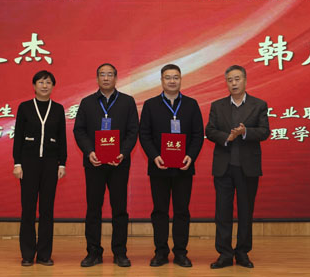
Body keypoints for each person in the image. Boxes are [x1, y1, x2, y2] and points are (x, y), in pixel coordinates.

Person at [73, 63, 139, 267]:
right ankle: (93, 252)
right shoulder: (87, 102)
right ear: (97, 78)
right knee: (93, 209)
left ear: (116, 78)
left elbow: (133, 131)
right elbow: (79, 130)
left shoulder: (127, 102)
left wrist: (122, 153)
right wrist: (89, 152)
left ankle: (120, 252)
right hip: (94, 163)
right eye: (102, 74)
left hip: (119, 163)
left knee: (120, 209)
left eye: (110, 74)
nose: (106, 78)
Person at [139, 64, 204, 268]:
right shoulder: (150, 105)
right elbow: (144, 134)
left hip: (184, 167)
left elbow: (198, 135)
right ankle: (160, 252)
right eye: (168, 77)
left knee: (182, 211)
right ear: (161, 80)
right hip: (159, 167)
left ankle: (180, 253)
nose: (172, 81)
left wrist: (191, 156)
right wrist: (154, 156)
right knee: (160, 211)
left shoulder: (191, 104)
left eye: (176, 77)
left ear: (181, 79)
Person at [205, 65, 269, 269]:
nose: (233, 83)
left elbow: (264, 131)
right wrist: (228, 137)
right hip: (223, 168)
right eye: (230, 80)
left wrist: (245, 132)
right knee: (222, 212)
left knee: (245, 212)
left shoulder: (259, 105)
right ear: (226, 83)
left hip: (247, 167)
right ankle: (224, 254)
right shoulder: (217, 106)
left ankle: (242, 253)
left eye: (237, 79)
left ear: (245, 80)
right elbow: (210, 130)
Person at [12, 70, 67, 266]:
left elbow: (62, 138)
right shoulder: (25, 107)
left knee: (47, 210)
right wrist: (17, 163)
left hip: (51, 164)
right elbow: (18, 137)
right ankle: (27, 254)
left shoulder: (58, 109)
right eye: (41, 82)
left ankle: (44, 254)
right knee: (28, 209)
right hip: (28, 163)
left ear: (53, 86)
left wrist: (62, 163)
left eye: (48, 82)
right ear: (34, 85)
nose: (45, 86)